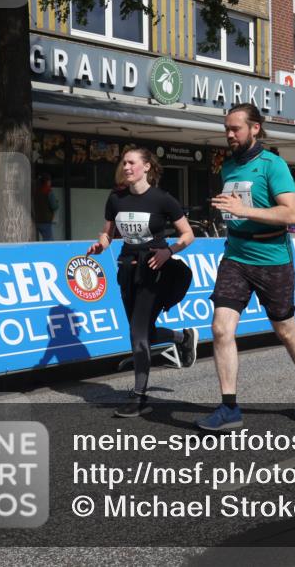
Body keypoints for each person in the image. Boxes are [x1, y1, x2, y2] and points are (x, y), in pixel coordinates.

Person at [198, 103, 295, 431]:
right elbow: (237, 210)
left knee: (284, 328)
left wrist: (243, 210)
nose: (229, 134)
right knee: (221, 328)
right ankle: (229, 408)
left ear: (255, 128)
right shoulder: (227, 168)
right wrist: (229, 212)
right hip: (236, 256)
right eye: (226, 128)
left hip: (272, 258)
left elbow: (292, 215)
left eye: (235, 128)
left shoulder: (274, 165)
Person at [86, 147, 197, 418]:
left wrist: (168, 251)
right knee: (142, 331)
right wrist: (100, 245)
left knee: (137, 333)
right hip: (127, 269)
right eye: (124, 163)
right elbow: (107, 233)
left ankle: (140, 396)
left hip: (154, 270)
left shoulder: (162, 199)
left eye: (132, 162)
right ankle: (181, 337)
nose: (126, 167)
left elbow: (188, 234)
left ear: (146, 167)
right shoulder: (116, 199)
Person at [33, 173, 60, 241]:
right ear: (47, 182)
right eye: (50, 181)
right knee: (49, 241)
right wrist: (56, 202)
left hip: (37, 220)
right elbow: (54, 206)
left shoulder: (36, 192)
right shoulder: (48, 191)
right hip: (45, 221)